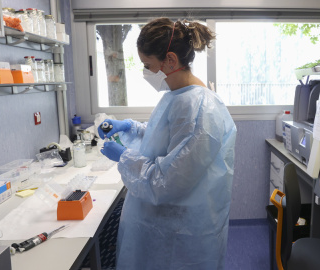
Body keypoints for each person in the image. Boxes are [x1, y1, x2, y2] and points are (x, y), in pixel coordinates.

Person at [98, 18, 237, 270]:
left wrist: (124, 157)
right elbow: (164, 143)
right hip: (165, 223)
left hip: (182, 233)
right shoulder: (177, 96)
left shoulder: (201, 110)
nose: (146, 72)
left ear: (170, 60)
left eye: (148, 65)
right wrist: (132, 128)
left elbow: (165, 182)